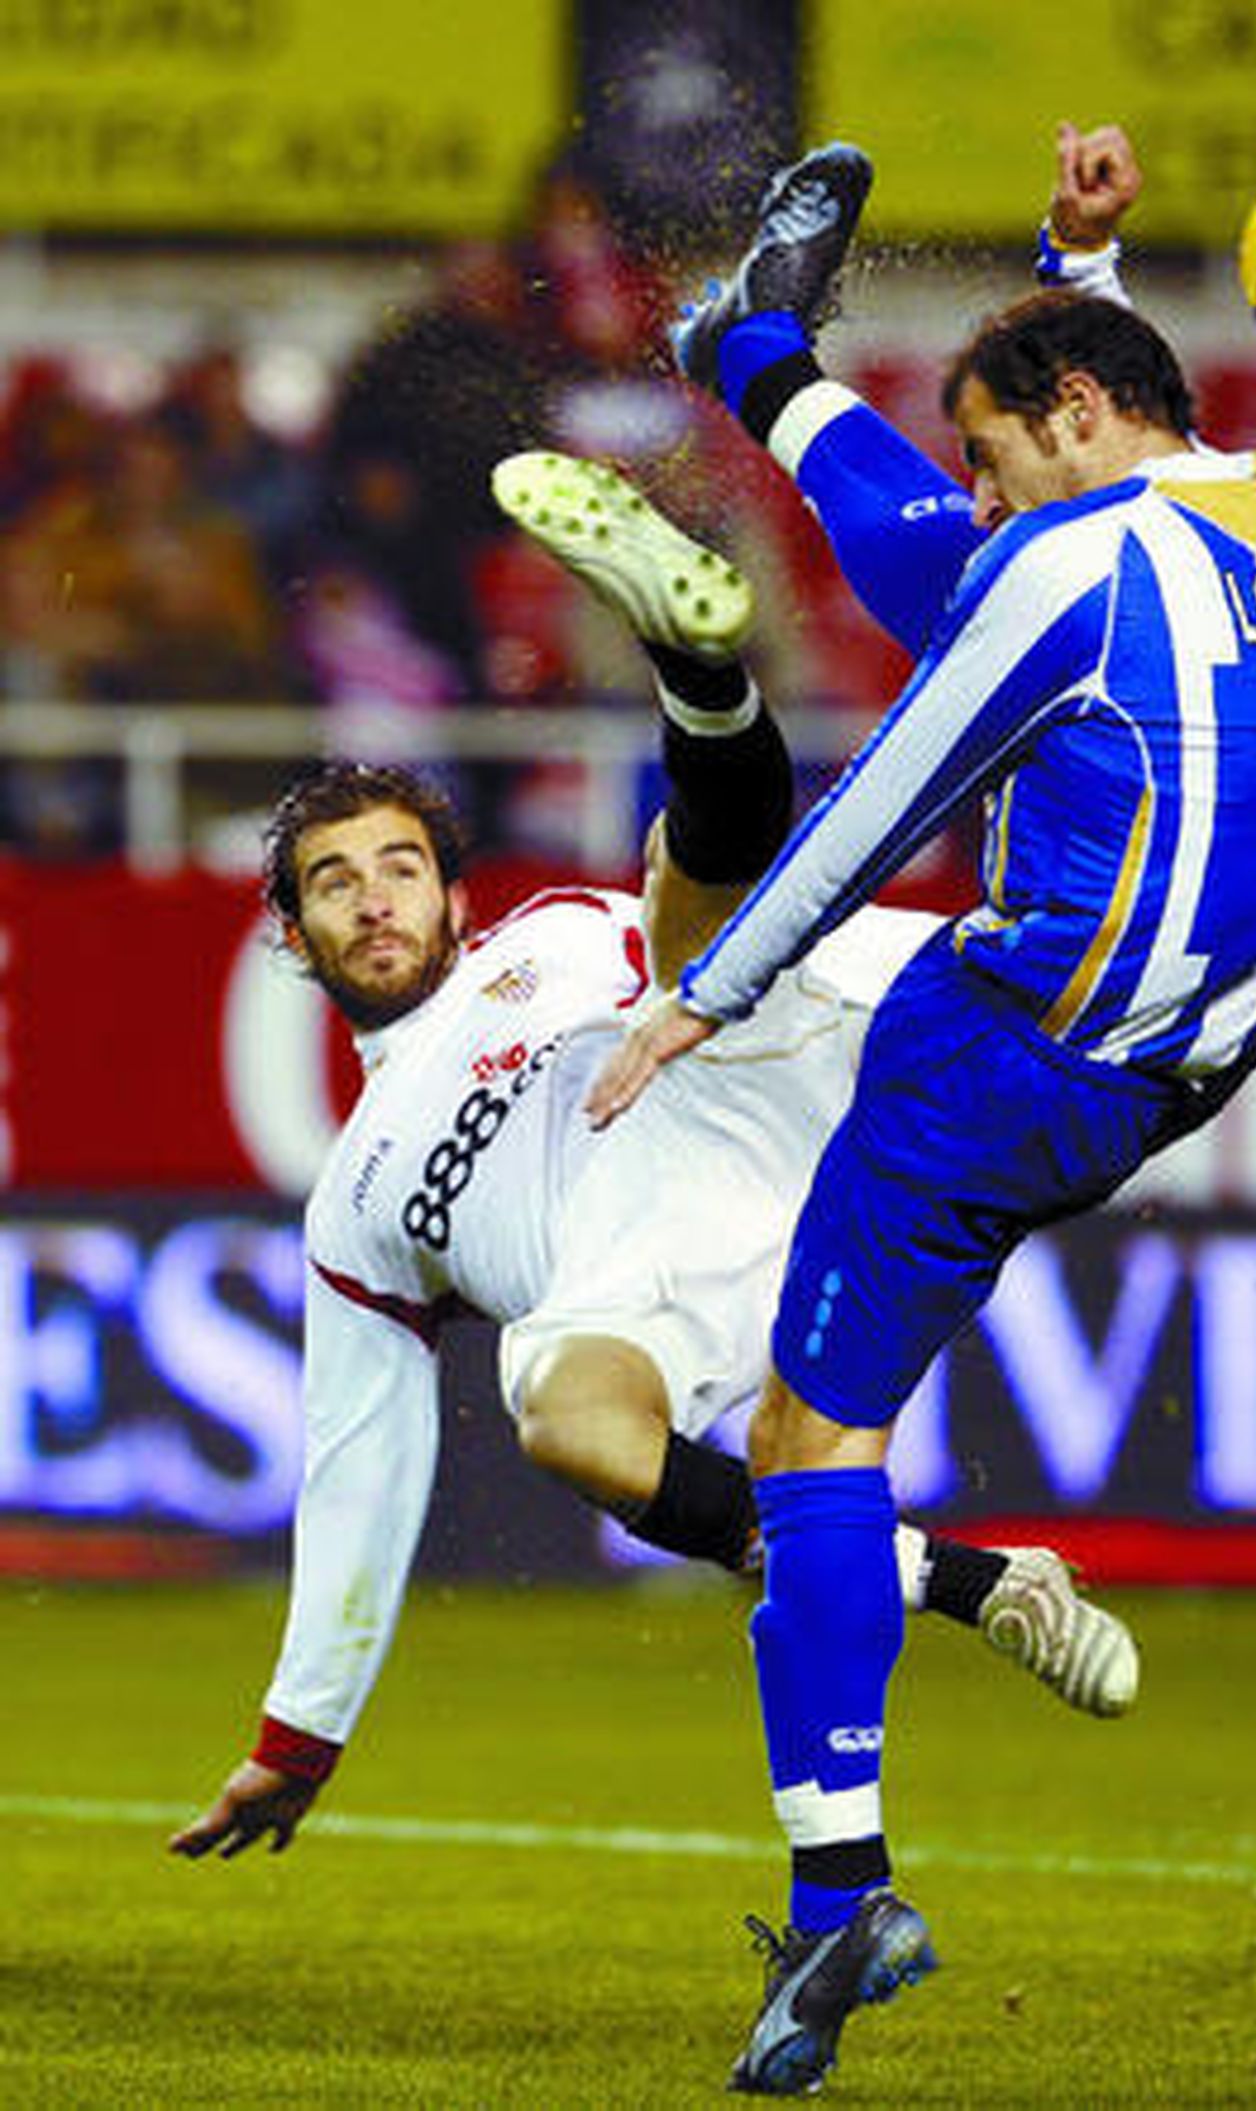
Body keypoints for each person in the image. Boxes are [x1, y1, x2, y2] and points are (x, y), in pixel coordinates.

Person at [589, 123, 1256, 2095]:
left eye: (997, 448)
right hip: (1192, 1057)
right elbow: (1102, 477)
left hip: (1006, 1051)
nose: (988, 493)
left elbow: (881, 808)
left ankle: (837, 1897)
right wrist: (1074, 267)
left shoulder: (1062, 570)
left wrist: (698, 997)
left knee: (802, 1443)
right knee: (949, 573)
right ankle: (753, 346)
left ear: (1073, 420)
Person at [169, 447, 1140, 1866]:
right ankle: (979, 1587)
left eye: (396, 866)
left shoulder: (551, 937)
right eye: (332, 883)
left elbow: (776, 946)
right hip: (648, 1296)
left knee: (688, 901)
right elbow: (357, 1466)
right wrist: (296, 1739)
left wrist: (968, 966)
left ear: (450, 888)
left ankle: (700, 667)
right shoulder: (352, 1203)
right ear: (296, 937)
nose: (371, 900)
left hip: (731, 1095)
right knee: (559, 1413)